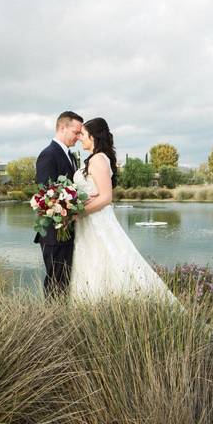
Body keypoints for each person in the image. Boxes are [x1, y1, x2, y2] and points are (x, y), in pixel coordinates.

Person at [69, 117, 178, 304]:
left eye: (83, 134)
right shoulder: (94, 159)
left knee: (111, 260)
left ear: (93, 137)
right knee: (93, 263)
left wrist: (79, 212)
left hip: (97, 221)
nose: (80, 138)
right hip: (88, 222)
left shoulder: (98, 159)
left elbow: (106, 197)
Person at [34, 111, 84, 299]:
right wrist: (63, 213)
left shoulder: (69, 155)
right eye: (76, 132)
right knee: (56, 281)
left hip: (67, 228)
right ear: (62, 128)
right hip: (54, 232)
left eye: (80, 134)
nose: (78, 137)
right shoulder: (48, 155)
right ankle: (52, 323)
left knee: (64, 281)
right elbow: (45, 195)